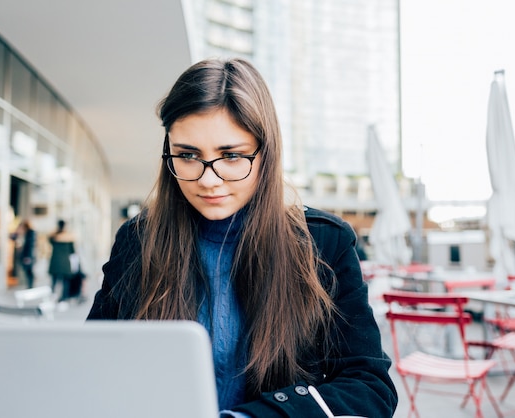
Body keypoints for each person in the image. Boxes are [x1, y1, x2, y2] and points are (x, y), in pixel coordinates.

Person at [87, 58, 397, 417]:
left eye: (231, 155)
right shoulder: (138, 240)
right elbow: (93, 362)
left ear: (266, 154)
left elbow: (370, 387)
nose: (208, 179)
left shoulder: (324, 244)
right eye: (187, 155)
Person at [48, 219, 76, 301]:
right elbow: (72, 251)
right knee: (65, 282)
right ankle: (64, 298)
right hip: (65, 263)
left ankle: (52, 296)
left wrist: (57, 231)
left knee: (54, 281)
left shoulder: (54, 236)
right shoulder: (69, 237)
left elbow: (49, 239)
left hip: (55, 262)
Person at [13, 220, 36, 288]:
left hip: (28, 256)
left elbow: (30, 246)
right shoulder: (22, 234)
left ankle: (30, 285)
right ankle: (29, 285)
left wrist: (28, 257)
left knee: (29, 271)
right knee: (27, 271)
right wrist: (17, 232)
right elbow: (12, 237)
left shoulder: (30, 233)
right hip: (24, 255)